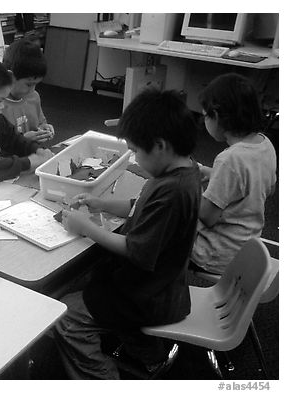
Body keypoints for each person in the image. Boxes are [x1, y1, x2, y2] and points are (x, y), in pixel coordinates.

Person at [53, 89, 201, 379]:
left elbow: (137, 251)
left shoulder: (173, 191)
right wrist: (99, 203)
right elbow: (139, 207)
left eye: (136, 150)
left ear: (159, 146)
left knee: (67, 317)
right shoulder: (183, 170)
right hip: (161, 286)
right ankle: (153, 356)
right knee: (88, 278)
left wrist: (86, 227)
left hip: (147, 295)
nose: (133, 156)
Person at [190, 73, 277, 274]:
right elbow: (267, 188)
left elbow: (208, 217)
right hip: (247, 248)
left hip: (216, 255)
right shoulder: (265, 144)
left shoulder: (229, 159)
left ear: (217, 116)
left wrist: (190, 186)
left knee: (168, 227)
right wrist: (215, 174)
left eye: (205, 116)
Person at [1, 38, 55, 144]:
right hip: (14, 158)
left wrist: (45, 129)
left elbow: (40, 123)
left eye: (36, 84)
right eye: (29, 84)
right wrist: (22, 140)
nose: (33, 89)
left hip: (35, 154)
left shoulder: (33, 97)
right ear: (10, 77)